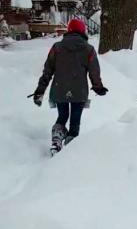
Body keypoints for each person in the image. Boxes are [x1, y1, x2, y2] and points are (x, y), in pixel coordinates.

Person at [31, 19, 108, 153]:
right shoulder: (89, 49)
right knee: (75, 120)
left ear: (69, 30)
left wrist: (40, 90)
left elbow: (47, 71)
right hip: (79, 92)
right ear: (83, 31)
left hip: (60, 89)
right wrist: (98, 87)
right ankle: (71, 149)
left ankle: (57, 138)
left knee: (63, 116)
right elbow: (94, 71)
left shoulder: (57, 48)